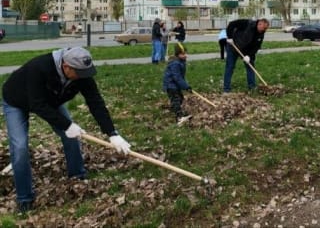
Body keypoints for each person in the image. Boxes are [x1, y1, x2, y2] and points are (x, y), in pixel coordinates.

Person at [2, 47, 131, 213]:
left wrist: (112, 133)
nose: (83, 78)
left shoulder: (82, 74)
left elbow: (95, 102)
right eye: (79, 73)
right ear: (66, 66)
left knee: (72, 136)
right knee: (19, 148)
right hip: (16, 100)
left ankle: (77, 176)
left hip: (51, 102)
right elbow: (37, 104)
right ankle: (24, 198)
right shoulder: (39, 68)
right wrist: (67, 125)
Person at [223, 18, 269, 93]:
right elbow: (232, 24)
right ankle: (226, 89)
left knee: (250, 66)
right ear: (259, 24)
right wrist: (230, 37)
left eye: (265, 29)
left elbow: (256, 47)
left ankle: (252, 87)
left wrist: (249, 56)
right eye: (263, 28)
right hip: (233, 45)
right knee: (230, 66)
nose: (264, 30)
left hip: (246, 51)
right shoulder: (247, 23)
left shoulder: (261, 33)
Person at [162, 42, 192, 124]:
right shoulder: (175, 63)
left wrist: (185, 85)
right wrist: (186, 86)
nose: (185, 55)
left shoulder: (181, 61)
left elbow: (180, 78)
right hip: (171, 85)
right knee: (176, 99)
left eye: (185, 53)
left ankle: (175, 109)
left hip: (176, 85)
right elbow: (177, 77)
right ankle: (179, 117)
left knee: (180, 98)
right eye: (183, 54)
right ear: (178, 54)